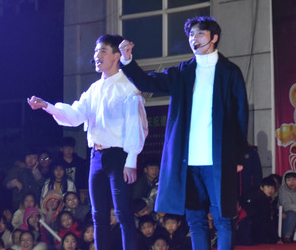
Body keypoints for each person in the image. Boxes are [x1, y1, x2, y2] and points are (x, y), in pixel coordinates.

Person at [120, 16, 249, 250]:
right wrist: (128, 61)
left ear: (214, 37)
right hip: (188, 162)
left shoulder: (230, 72)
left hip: (219, 160)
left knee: (223, 219)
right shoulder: (182, 72)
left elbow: (241, 114)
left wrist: (239, 156)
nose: (194, 39)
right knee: (195, 221)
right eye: (191, 35)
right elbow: (149, 83)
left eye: (200, 34)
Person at [28, 33, 148, 250]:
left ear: (116, 56)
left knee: (122, 212)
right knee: (98, 215)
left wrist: (131, 159)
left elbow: (136, 125)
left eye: (103, 51)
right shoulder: (94, 89)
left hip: (119, 156)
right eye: (95, 51)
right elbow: (75, 115)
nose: (97, 56)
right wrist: (47, 106)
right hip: (96, 156)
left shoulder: (128, 86)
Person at [237, 177, 279, 245]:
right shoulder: (261, 199)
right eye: (268, 187)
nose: (270, 190)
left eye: (272, 187)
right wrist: (276, 239)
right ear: (261, 187)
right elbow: (266, 220)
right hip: (250, 227)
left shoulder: (259, 195)